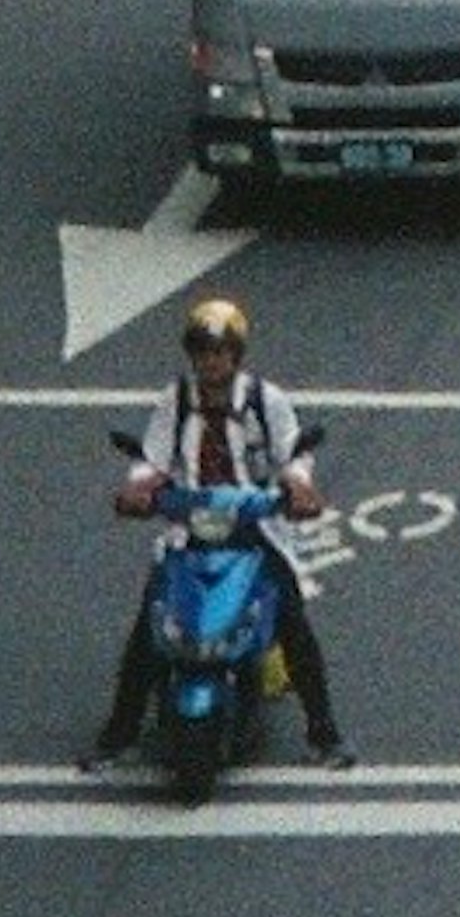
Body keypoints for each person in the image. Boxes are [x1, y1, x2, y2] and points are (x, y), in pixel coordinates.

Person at [87, 297, 349, 770]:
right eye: (203, 351)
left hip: (253, 525)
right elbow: (152, 459)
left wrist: (298, 488)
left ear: (237, 355)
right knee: (149, 623)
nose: (211, 361)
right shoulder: (177, 400)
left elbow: (294, 458)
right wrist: (139, 490)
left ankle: (325, 733)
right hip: (189, 528)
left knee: (292, 616)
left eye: (221, 351)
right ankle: (118, 734)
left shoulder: (265, 402)